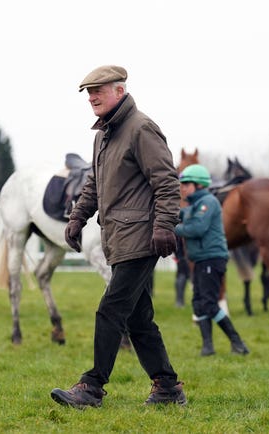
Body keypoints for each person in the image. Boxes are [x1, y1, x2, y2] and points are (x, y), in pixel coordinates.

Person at [50, 65, 186, 409]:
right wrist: (77, 217)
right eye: (89, 92)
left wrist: (164, 226)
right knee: (139, 319)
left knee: (109, 311)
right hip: (118, 238)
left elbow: (167, 181)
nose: (92, 97)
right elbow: (95, 184)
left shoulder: (141, 128)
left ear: (119, 92)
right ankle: (168, 387)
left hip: (141, 238)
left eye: (99, 90)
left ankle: (92, 387)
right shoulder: (104, 135)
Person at [174, 164, 249, 356]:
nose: (182, 187)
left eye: (186, 184)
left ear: (198, 185)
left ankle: (238, 343)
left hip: (212, 260)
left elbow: (196, 229)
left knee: (209, 304)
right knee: (198, 303)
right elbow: (179, 215)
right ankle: (208, 347)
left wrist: (172, 229)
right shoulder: (193, 206)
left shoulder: (208, 202)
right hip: (200, 260)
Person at [174, 235, 190, 307]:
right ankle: (179, 301)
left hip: (180, 253)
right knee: (182, 274)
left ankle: (179, 301)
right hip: (183, 254)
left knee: (180, 274)